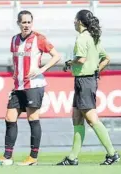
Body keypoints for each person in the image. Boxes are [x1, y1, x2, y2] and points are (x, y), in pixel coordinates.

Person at [57, 9, 120, 166]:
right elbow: (106, 58)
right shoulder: (94, 38)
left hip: (84, 81)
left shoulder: (81, 38)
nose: (73, 22)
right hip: (86, 80)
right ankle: (72, 158)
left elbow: (81, 59)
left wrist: (68, 63)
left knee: (91, 119)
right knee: (77, 118)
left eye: (74, 19)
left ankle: (112, 154)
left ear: (79, 21)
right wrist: (97, 69)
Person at [0, 10, 61, 166]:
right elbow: (16, 62)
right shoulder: (14, 39)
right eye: (23, 22)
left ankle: (33, 157)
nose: (26, 25)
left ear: (32, 23)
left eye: (28, 22)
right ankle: (7, 156)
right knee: (9, 118)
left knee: (33, 119)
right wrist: (15, 78)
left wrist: (41, 70)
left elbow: (57, 56)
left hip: (34, 86)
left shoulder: (39, 39)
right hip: (18, 87)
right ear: (18, 23)